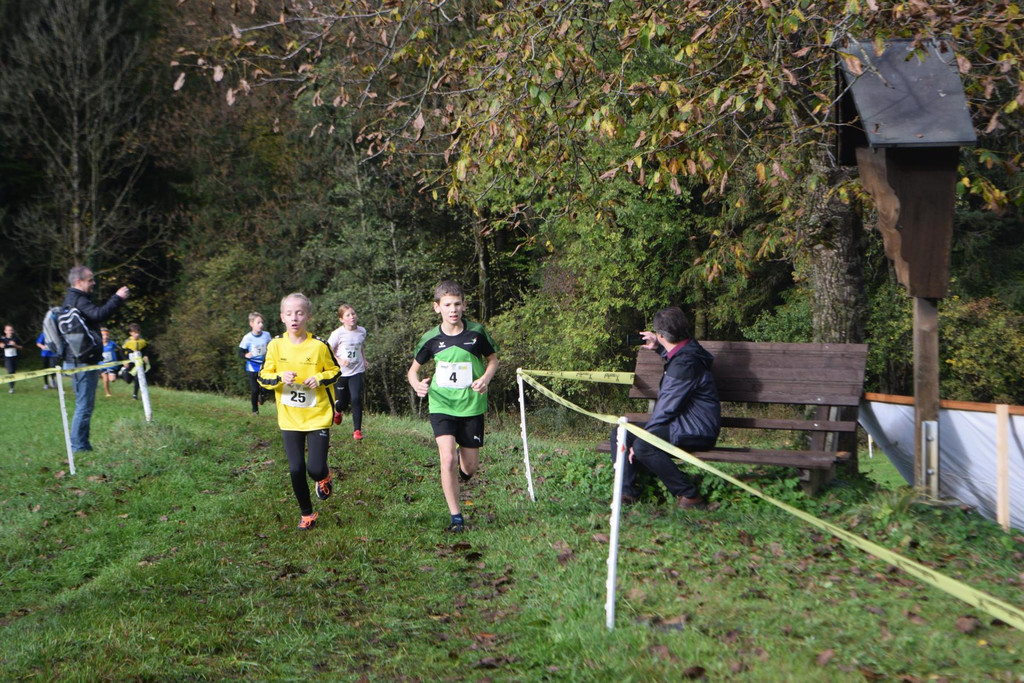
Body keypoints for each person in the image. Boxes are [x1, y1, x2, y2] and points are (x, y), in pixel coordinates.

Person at [407, 281, 499, 533]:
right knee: (447, 458)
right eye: (447, 305)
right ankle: (456, 517)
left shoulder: (476, 333)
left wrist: (485, 378)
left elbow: (493, 360)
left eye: (457, 304)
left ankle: (460, 469)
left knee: (469, 468)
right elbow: (413, 371)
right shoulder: (430, 338)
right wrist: (417, 385)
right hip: (441, 405)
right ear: (437, 307)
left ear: (464, 305)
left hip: (471, 406)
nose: (453, 309)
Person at [610, 306, 720, 509]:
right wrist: (659, 347)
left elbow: (666, 408)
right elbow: (677, 355)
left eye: (658, 335)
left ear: (661, 334)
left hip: (697, 429)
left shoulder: (684, 365)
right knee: (621, 432)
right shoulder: (689, 350)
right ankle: (627, 494)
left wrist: (646, 437)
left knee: (643, 445)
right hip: (684, 423)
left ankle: (690, 496)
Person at [258, 293, 341, 531]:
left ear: (308, 316)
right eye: (289, 313)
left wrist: (320, 378)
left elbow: (336, 371)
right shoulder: (275, 345)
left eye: (299, 313)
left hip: (317, 416)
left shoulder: (319, 346)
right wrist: (279, 377)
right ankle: (307, 514)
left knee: (314, 468)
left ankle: (323, 476)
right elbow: (262, 376)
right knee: (295, 469)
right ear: (282, 317)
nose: (294, 318)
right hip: (290, 418)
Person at [61, 265, 130, 452]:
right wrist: (117, 298)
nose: (94, 283)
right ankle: (79, 446)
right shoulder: (79, 300)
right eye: (90, 279)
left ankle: (82, 444)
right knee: (84, 405)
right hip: (82, 360)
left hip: (77, 358)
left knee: (84, 404)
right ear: (78, 282)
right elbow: (99, 314)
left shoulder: (71, 299)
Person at [327, 304, 368, 439]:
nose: (352, 317)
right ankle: (338, 410)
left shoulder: (362, 331)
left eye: (353, 314)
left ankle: (357, 431)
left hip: (357, 370)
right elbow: (327, 351)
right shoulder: (337, 334)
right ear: (341, 319)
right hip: (342, 373)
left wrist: (364, 359)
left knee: (356, 398)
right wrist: (338, 360)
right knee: (343, 403)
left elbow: (360, 346)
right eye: (348, 315)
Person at [238, 311, 271, 415]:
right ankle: (255, 410)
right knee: (254, 390)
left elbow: (271, 347)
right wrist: (246, 355)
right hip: (252, 366)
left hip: (264, 366)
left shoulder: (267, 335)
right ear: (251, 324)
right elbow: (240, 353)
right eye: (258, 322)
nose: (261, 325)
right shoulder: (247, 338)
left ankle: (262, 395)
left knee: (267, 386)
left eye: (262, 322)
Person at [122, 323, 149, 401]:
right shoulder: (128, 341)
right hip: (130, 362)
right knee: (128, 380)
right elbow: (122, 351)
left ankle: (135, 394)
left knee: (138, 378)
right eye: (134, 332)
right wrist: (125, 360)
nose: (136, 334)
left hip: (139, 363)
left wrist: (145, 356)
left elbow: (145, 349)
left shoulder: (142, 341)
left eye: (137, 332)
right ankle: (123, 372)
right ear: (130, 333)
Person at [1, 325, 24, 394]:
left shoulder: (15, 338)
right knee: (10, 371)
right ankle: (11, 388)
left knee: (13, 372)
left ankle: (12, 387)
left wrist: (15, 345)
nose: (10, 332)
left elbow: (21, 347)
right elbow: (1, 345)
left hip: (14, 357)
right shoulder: (3, 338)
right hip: (7, 358)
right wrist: (2, 345)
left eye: (11, 330)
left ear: (13, 331)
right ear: (5, 331)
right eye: (8, 330)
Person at [99, 328, 121, 397]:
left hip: (111, 364)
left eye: (107, 335)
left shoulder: (112, 343)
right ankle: (108, 393)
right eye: (103, 335)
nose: (105, 337)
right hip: (102, 364)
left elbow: (119, 349)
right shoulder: (99, 344)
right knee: (105, 380)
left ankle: (121, 372)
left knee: (112, 380)